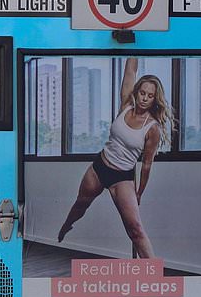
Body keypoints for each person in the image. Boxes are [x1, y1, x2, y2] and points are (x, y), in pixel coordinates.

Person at [56, 58, 176, 258]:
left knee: (135, 229)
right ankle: (66, 227)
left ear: (155, 99)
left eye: (150, 96)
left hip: (122, 178)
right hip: (100, 166)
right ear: (137, 91)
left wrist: (139, 192)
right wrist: (135, 47)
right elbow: (130, 69)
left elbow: (146, 165)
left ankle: (154, 275)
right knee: (81, 204)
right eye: (142, 93)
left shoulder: (152, 128)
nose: (145, 98)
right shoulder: (126, 105)